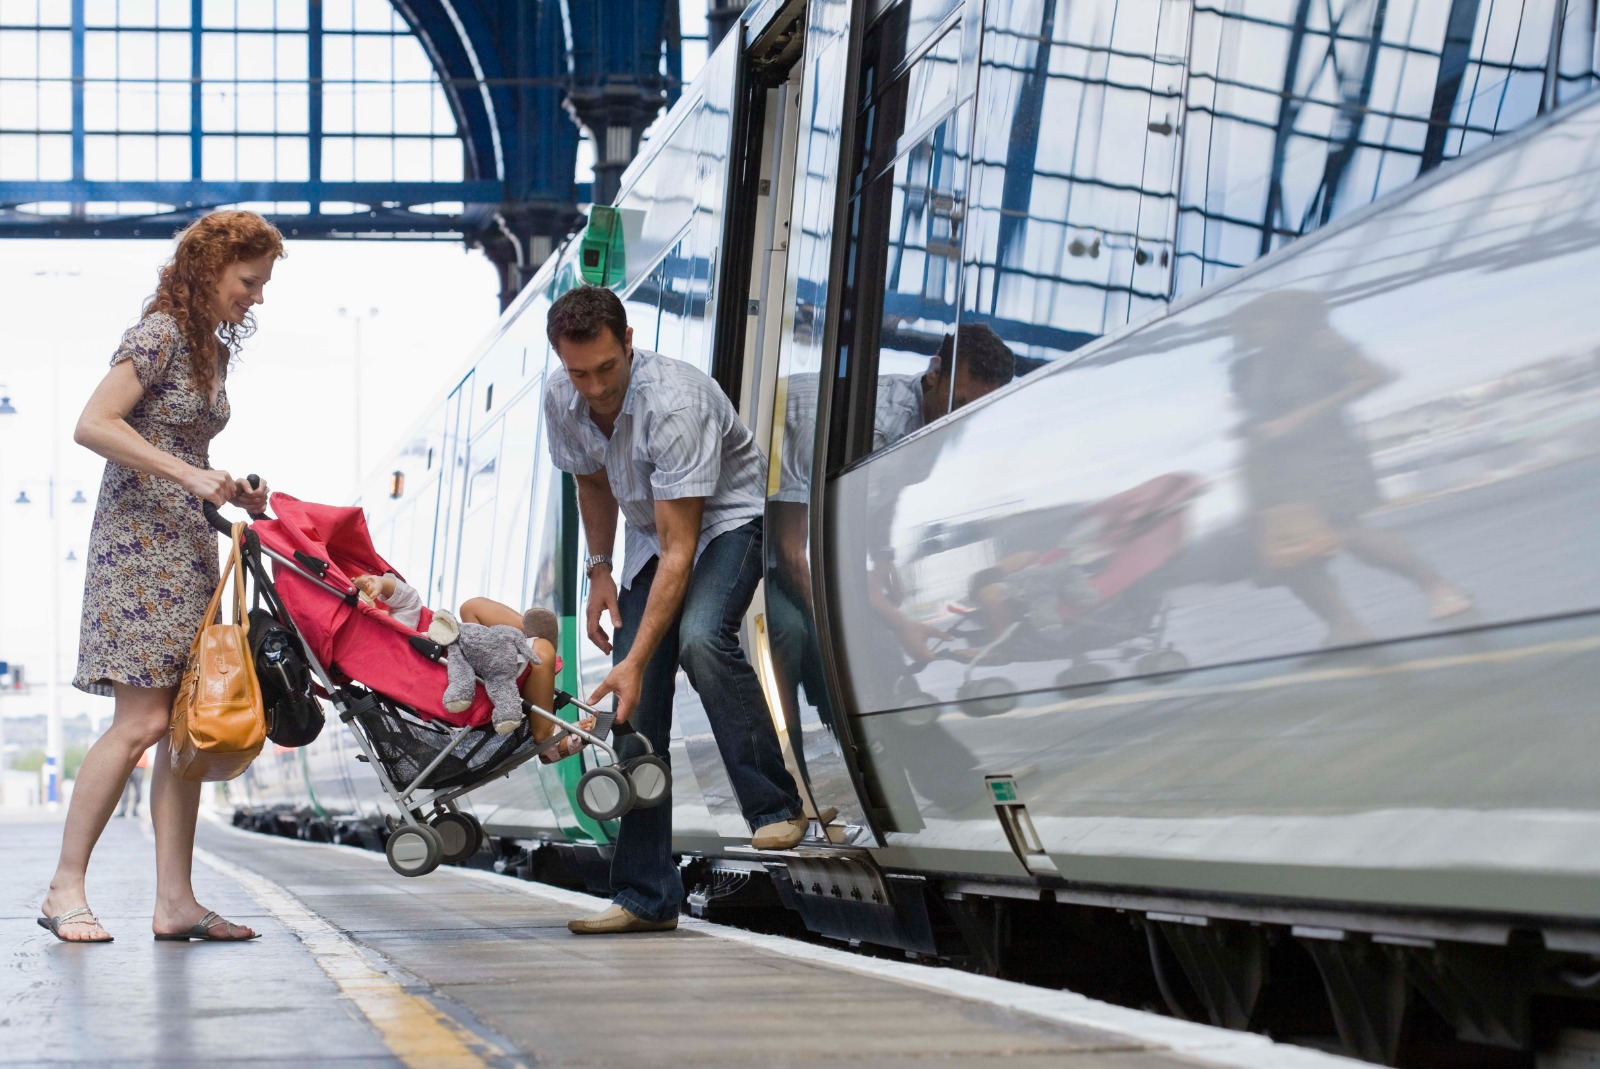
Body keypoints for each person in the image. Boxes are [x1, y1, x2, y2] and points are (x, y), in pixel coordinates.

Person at [38, 210, 282, 944]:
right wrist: (186, 474)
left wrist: (229, 487)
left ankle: (175, 899)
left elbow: (185, 447)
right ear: (209, 269)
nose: (258, 297)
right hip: (137, 551)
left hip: (186, 546)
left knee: (186, 729)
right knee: (141, 722)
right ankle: (63, 887)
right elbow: (93, 423)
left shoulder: (211, 348)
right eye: (250, 281)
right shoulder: (160, 334)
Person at [543, 285, 807, 935]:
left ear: (629, 341)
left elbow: (682, 549)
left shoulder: (675, 403)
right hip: (643, 539)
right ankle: (645, 894)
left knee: (698, 638)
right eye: (580, 372)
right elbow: (592, 477)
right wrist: (600, 571)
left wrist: (635, 656)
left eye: (607, 368)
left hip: (727, 524)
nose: (596, 387)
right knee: (637, 710)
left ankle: (775, 804)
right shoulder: (561, 395)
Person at [350, 574, 587, 761]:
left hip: (477, 649)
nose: (368, 603)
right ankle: (546, 737)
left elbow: (408, 600)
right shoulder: (379, 655)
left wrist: (381, 582)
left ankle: (525, 635)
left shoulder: (394, 624)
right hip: (470, 676)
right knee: (543, 651)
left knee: (471, 607)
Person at [118, 746, 151, 818]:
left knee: (138, 790)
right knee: (124, 790)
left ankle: (135, 810)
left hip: (139, 766)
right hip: (127, 765)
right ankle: (123, 810)